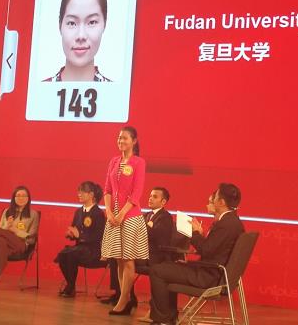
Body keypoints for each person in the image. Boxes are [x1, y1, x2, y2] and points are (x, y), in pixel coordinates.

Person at [148, 183, 245, 325]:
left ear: (221, 202)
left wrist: (194, 232)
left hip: (209, 277)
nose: (212, 200)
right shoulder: (233, 221)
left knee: (157, 270)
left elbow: (205, 249)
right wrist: (190, 262)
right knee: (168, 266)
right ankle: (169, 317)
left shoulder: (226, 224)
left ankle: (162, 320)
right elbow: (213, 250)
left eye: (215, 197)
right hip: (214, 272)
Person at [101, 126, 148, 316]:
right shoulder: (114, 161)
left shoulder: (139, 162)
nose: (121, 141)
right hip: (114, 217)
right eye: (119, 138)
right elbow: (107, 189)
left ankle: (123, 300)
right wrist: (109, 211)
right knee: (119, 260)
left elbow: (137, 193)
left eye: (125, 138)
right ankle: (125, 298)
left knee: (128, 260)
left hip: (130, 217)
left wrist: (122, 214)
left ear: (134, 141)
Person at [103, 186, 174, 309]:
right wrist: (145, 228)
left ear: (163, 202)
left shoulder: (166, 217)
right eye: (150, 196)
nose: (150, 198)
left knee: (127, 260)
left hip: (154, 256)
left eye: (155, 197)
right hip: (140, 251)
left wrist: (143, 229)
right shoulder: (145, 215)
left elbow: (157, 236)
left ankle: (126, 298)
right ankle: (124, 295)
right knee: (117, 257)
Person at [45, 0, 112, 82]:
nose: (81, 36)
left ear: (104, 24)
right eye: (72, 23)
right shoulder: (38, 90)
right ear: (60, 25)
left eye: (92, 22)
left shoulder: (117, 91)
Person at [0, 185, 39, 292]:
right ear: (14, 198)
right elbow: (0, 231)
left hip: (21, 244)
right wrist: (7, 226)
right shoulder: (7, 211)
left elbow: (31, 237)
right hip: (5, 243)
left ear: (28, 198)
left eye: (24, 196)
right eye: (18, 196)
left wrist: (15, 230)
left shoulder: (33, 214)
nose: (21, 198)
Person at [54, 181, 106, 297]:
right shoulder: (78, 212)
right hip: (79, 248)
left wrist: (80, 236)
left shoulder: (98, 213)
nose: (79, 194)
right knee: (63, 254)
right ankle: (71, 285)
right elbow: (75, 230)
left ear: (91, 195)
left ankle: (70, 287)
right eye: (79, 192)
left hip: (93, 251)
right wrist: (71, 234)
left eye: (82, 192)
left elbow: (98, 236)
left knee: (71, 254)